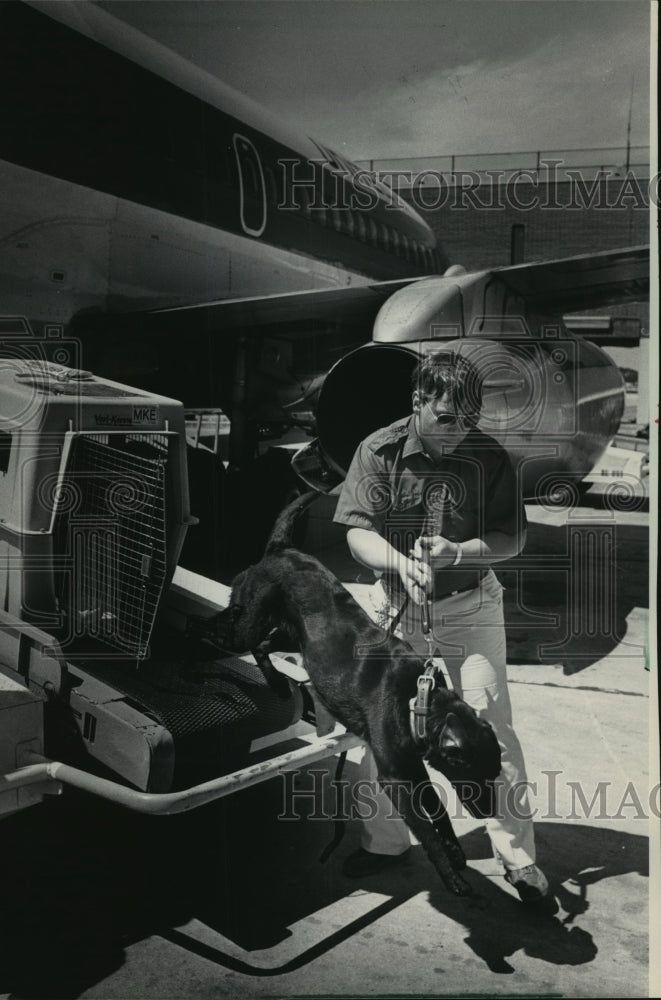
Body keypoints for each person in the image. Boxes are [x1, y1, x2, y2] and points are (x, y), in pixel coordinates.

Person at [333, 348, 554, 907]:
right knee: (376, 737)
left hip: (470, 607)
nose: (458, 432)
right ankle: (385, 844)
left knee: (492, 732)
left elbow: (512, 537)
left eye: (469, 420)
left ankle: (518, 858)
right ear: (419, 402)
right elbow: (356, 531)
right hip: (392, 607)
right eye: (446, 417)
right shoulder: (378, 450)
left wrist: (457, 552)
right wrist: (399, 564)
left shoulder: (489, 455)